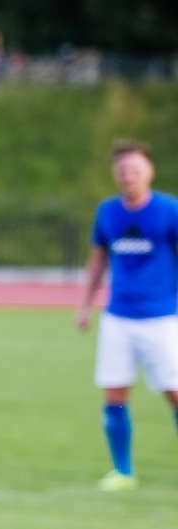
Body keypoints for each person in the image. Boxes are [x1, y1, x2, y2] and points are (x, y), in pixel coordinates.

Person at [75, 141, 178, 491]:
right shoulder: (107, 212)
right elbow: (98, 260)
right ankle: (123, 471)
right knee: (114, 395)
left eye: (134, 169)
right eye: (122, 171)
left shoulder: (168, 210)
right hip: (118, 317)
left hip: (161, 317)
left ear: (149, 171)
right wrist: (85, 305)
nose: (128, 176)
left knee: (174, 393)